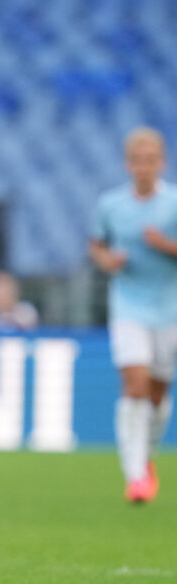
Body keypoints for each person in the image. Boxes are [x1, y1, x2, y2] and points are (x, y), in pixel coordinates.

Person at [89, 126, 177, 504]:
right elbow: (97, 245)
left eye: (150, 160)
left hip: (168, 307)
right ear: (128, 163)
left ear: (162, 162)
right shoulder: (112, 205)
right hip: (128, 305)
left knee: (157, 392)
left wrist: (165, 245)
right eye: (137, 160)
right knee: (136, 383)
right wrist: (109, 261)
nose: (143, 167)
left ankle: (146, 456)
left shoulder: (173, 202)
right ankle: (136, 475)